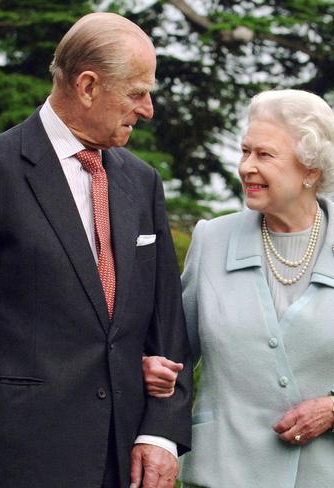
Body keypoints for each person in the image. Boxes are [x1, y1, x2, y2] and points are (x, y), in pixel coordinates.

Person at [0, 12, 192, 488]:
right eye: (137, 93)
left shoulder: (142, 181)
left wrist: (160, 435)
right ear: (88, 86)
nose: (148, 109)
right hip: (18, 457)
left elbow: (167, 324)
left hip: (125, 462)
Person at [143, 89, 334, 487]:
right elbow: (172, 350)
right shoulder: (213, 239)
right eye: (245, 152)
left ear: (311, 169)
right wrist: (148, 364)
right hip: (222, 473)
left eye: (264, 155)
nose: (247, 166)